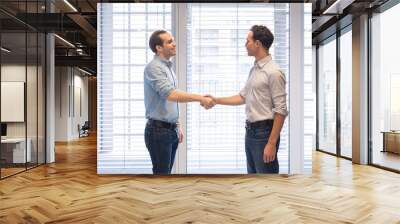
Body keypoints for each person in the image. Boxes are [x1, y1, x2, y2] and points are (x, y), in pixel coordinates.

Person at [206, 25, 288, 174]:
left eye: (247, 40)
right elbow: (243, 97)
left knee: (267, 183)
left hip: (264, 134)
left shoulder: (274, 72)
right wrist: (216, 100)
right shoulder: (255, 69)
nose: (245, 44)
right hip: (250, 132)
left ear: (258, 44)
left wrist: (271, 143)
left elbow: (281, 111)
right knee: (253, 180)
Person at [144, 30, 215, 174]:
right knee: (162, 175)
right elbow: (170, 94)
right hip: (158, 132)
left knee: (166, 173)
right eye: (169, 42)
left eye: (173, 40)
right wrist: (201, 98)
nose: (174, 44)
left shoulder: (167, 67)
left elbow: (172, 101)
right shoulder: (154, 68)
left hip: (169, 129)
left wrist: (177, 125)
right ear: (158, 47)